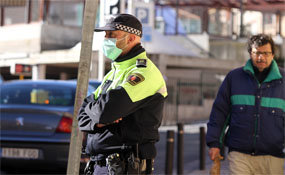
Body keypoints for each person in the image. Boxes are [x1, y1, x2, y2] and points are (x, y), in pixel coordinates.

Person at [77, 14, 168, 175]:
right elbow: (82, 114)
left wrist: (99, 113)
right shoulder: (114, 73)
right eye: (105, 35)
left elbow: (106, 111)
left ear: (131, 38)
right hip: (101, 164)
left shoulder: (144, 72)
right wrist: (96, 120)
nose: (106, 39)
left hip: (126, 165)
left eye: (112, 35)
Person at [206, 34, 285, 175]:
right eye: (257, 53)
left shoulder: (283, 82)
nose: (261, 57)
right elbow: (219, 113)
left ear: (273, 54)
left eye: (266, 53)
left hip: (273, 157)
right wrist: (214, 143)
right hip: (239, 154)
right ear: (250, 53)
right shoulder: (234, 78)